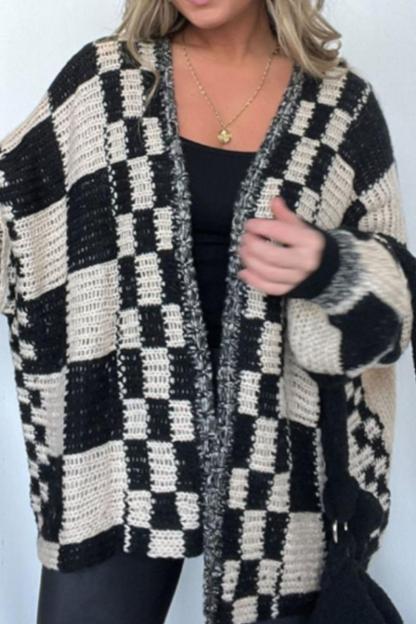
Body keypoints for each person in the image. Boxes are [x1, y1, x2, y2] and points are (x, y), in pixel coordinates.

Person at [0, 1, 414, 624]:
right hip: (121, 450)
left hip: (281, 472)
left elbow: (399, 310)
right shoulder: (108, 81)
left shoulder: (340, 109)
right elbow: (12, 218)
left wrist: (330, 266)